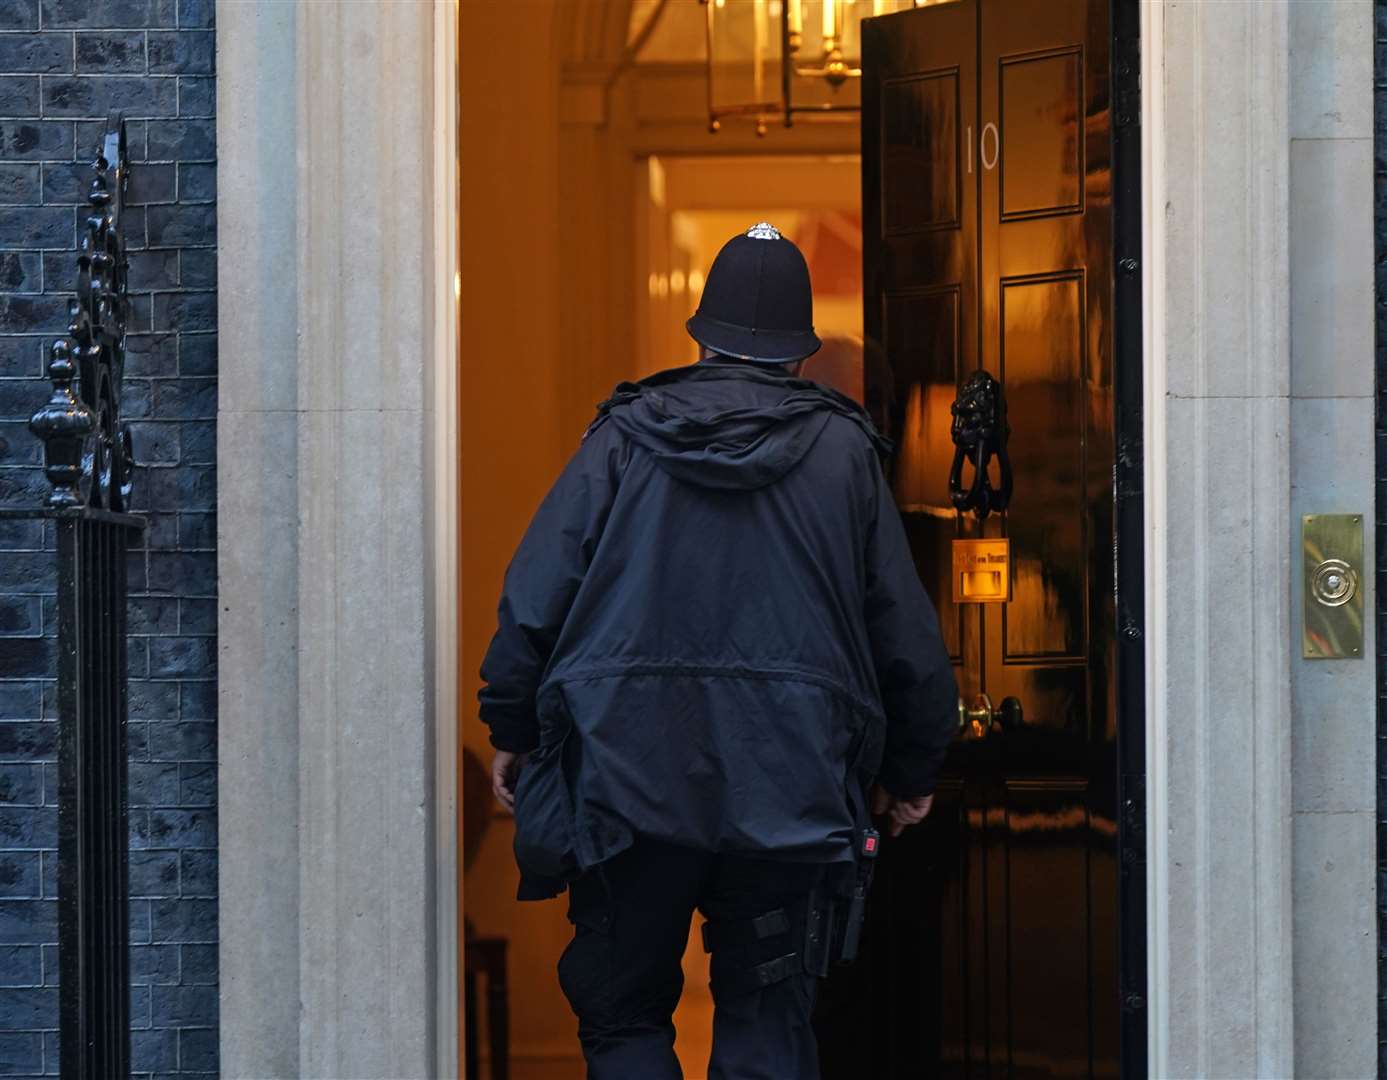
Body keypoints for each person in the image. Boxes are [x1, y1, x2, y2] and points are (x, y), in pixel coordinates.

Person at [478, 222, 958, 1079]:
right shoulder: (844, 452)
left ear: (701, 332)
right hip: (791, 781)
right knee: (767, 1021)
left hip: (626, 775)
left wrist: (511, 725)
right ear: (800, 349)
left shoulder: (622, 437)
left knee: (623, 1019)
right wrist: (913, 769)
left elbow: (534, 593)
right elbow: (902, 629)